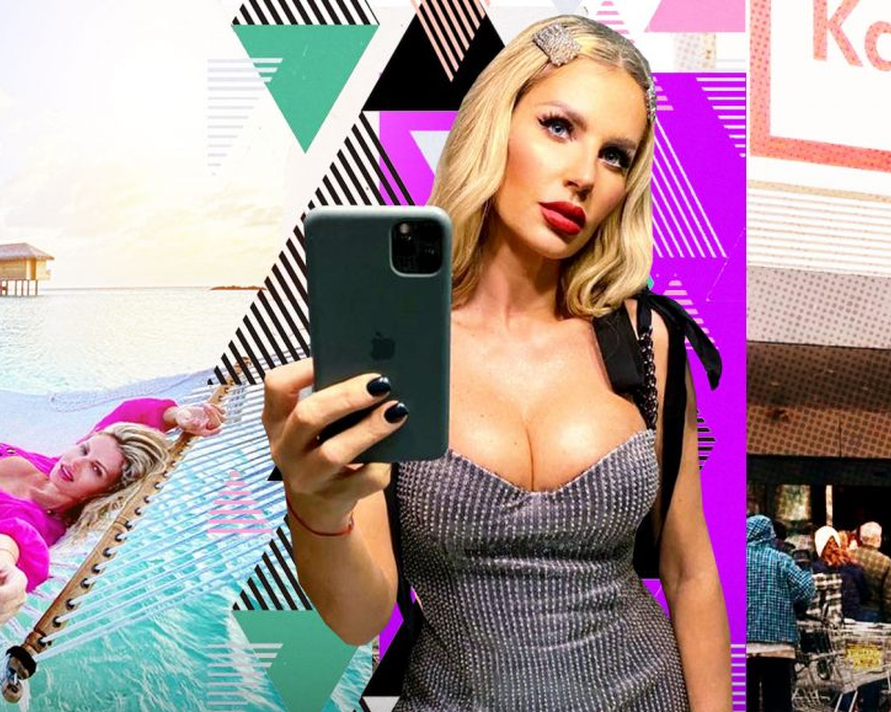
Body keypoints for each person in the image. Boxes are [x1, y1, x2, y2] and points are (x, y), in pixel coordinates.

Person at [262, 15, 729, 711]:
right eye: (559, 127)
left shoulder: (644, 338)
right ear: (495, 122)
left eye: (615, 156)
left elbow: (691, 571)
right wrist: (315, 504)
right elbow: (361, 616)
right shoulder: (393, 345)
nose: (584, 176)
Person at [0, 389, 224, 634]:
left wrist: (4, 569)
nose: (77, 462)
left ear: (105, 492)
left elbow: (10, 539)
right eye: (84, 449)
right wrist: (177, 415)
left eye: (95, 470)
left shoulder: (43, 523)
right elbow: (129, 415)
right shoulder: (59, 466)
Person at [747, 515, 815, 712]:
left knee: (746, 702)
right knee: (778, 701)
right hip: (778, 645)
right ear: (769, 535)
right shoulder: (782, 560)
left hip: (742, 646)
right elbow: (806, 590)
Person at [811, 526, 867, 621]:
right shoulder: (854, 568)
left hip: (821, 620)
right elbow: (864, 594)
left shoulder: (813, 570)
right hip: (851, 619)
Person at [853, 521, 891, 622]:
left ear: (861, 538)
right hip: (874, 612)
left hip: (850, 611)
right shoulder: (886, 562)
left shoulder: (848, 556)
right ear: (878, 539)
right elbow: (889, 597)